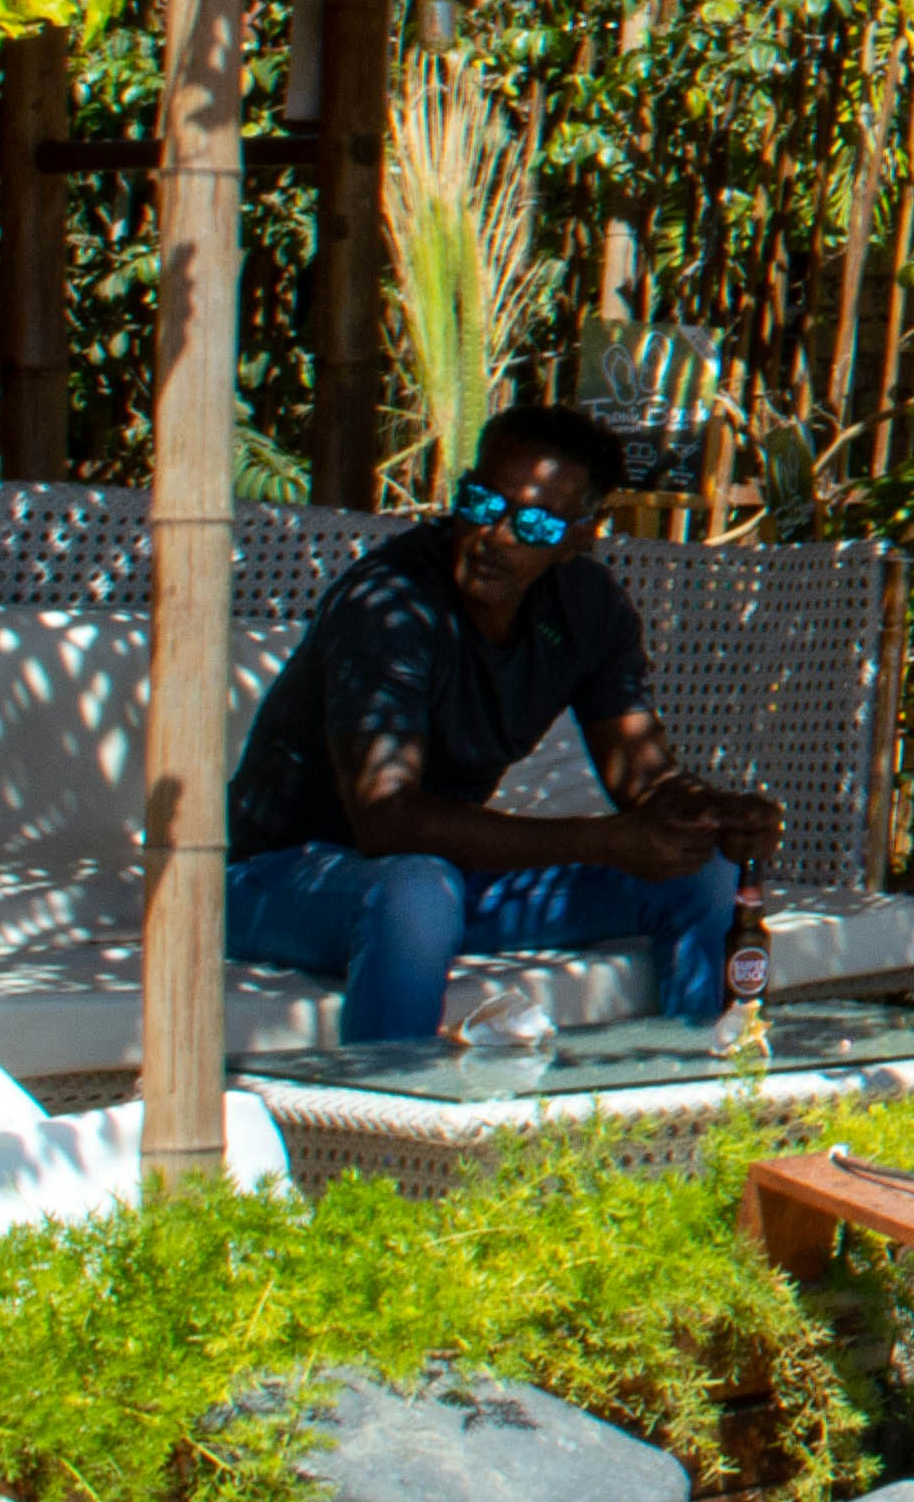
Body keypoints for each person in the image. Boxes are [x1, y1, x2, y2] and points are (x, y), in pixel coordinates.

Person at [218, 405, 783, 1045]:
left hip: (441, 882)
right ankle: (388, 1124)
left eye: (535, 523)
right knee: (416, 891)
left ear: (581, 535)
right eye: (482, 503)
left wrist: (717, 813)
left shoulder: (588, 610)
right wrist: (601, 840)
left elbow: (645, 783)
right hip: (277, 881)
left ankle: (696, 1089)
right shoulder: (390, 601)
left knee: (702, 875)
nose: (496, 535)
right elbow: (386, 818)